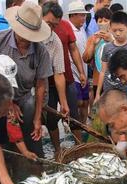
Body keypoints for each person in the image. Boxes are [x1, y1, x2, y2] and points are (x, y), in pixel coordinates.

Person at [0, 2, 52, 158]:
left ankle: (34, 160)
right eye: (25, 34)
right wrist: (9, 103)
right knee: (5, 137)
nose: (27, 40)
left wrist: (37, 118)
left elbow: (41, 85)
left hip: (25, 95)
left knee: (32, 130)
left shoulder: (40, 51)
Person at [41, 1, 86, 154]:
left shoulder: (60, 33)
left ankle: (79, 148)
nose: (51, 28)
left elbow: (72, 51)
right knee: (51, 119)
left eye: (54, 25)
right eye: (48, 23)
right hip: (45, 86)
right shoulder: (32, 35)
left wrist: (81, 71)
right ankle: (57, 150)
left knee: (73, 115)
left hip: (65, 79)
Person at [95, 11, 127, 102]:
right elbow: (103, 71)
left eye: (121, 30)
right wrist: (98, 94)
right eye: (114, 30)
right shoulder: (107, 47)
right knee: (98, 114)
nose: (117, 33)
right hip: (109, 91)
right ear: (109, 29)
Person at [83, 7, 112, 102]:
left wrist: (111, 40)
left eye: (106, 20)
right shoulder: (93, 38)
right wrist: (93, 44)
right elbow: (86, 59)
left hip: (115, 81)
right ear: (96, 22)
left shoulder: (116, 37)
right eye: (100, 21)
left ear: (111, 22)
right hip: (97, 80)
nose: (103, 23)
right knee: (98, 112)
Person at [68, 2, 90, 124]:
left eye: (84, 15)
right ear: (72, 15)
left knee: (85, 102)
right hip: (73, 72)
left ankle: (83, 126)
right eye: (81, 15)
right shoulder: (68, 29)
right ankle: (73, 126)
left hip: (84, 71)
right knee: (77, 102)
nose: (83, 18)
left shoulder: (82, 29)